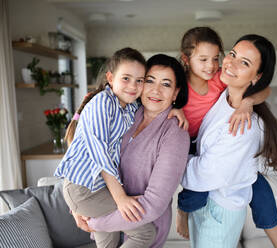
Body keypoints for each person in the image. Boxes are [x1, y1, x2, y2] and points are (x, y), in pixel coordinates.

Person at [55, 48, 185, 248]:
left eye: (166, 84)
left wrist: (94, 222)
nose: (156, 90)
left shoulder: (174, 133)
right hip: (101, 201)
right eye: (150, 80)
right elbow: (90, 153)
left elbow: (155, 203)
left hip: (140, 222)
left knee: (143, 235)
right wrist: (81, 208)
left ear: (176, 92)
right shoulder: (128, 111)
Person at [176, 27, 277, 248]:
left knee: (261, 190)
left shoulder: (244, 126)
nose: (230, 64)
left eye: (244, 63)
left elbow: (207, 172)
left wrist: (170, 163)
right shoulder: (223, 93)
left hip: (220, 208)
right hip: (207, 202)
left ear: (257, 76)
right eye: (233, 55)